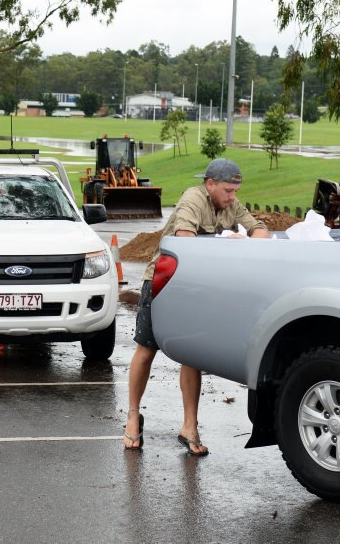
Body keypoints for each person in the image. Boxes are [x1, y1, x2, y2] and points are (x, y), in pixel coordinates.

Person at [123, 158, 269, 456]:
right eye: (228, 190)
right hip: (165, 281)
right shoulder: (192, 199)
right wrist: (227, 242)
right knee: (147, 349)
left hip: (199, 286)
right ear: (210, 184)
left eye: (235, 191)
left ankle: (189, 426)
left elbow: (261, 230)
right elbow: (186, 241)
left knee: (192, 355)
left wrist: (247, 238)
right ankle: (133, 415)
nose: (232, 197)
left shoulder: (231, 204)